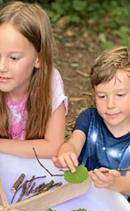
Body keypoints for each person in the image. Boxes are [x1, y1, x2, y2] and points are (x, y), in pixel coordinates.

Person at [0, 1, 67, 165]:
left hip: (35, 172)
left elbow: (54, 147)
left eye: (14, 58)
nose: (1, 67)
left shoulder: (50, 82)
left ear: (38, 58)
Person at [53, 46, 130, 197]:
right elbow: (74, 143)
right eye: (102, 96)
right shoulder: (90, 118)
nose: (110, 104)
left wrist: (114, 183)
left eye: (120, 95)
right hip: (82, 197)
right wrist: (66, 153)